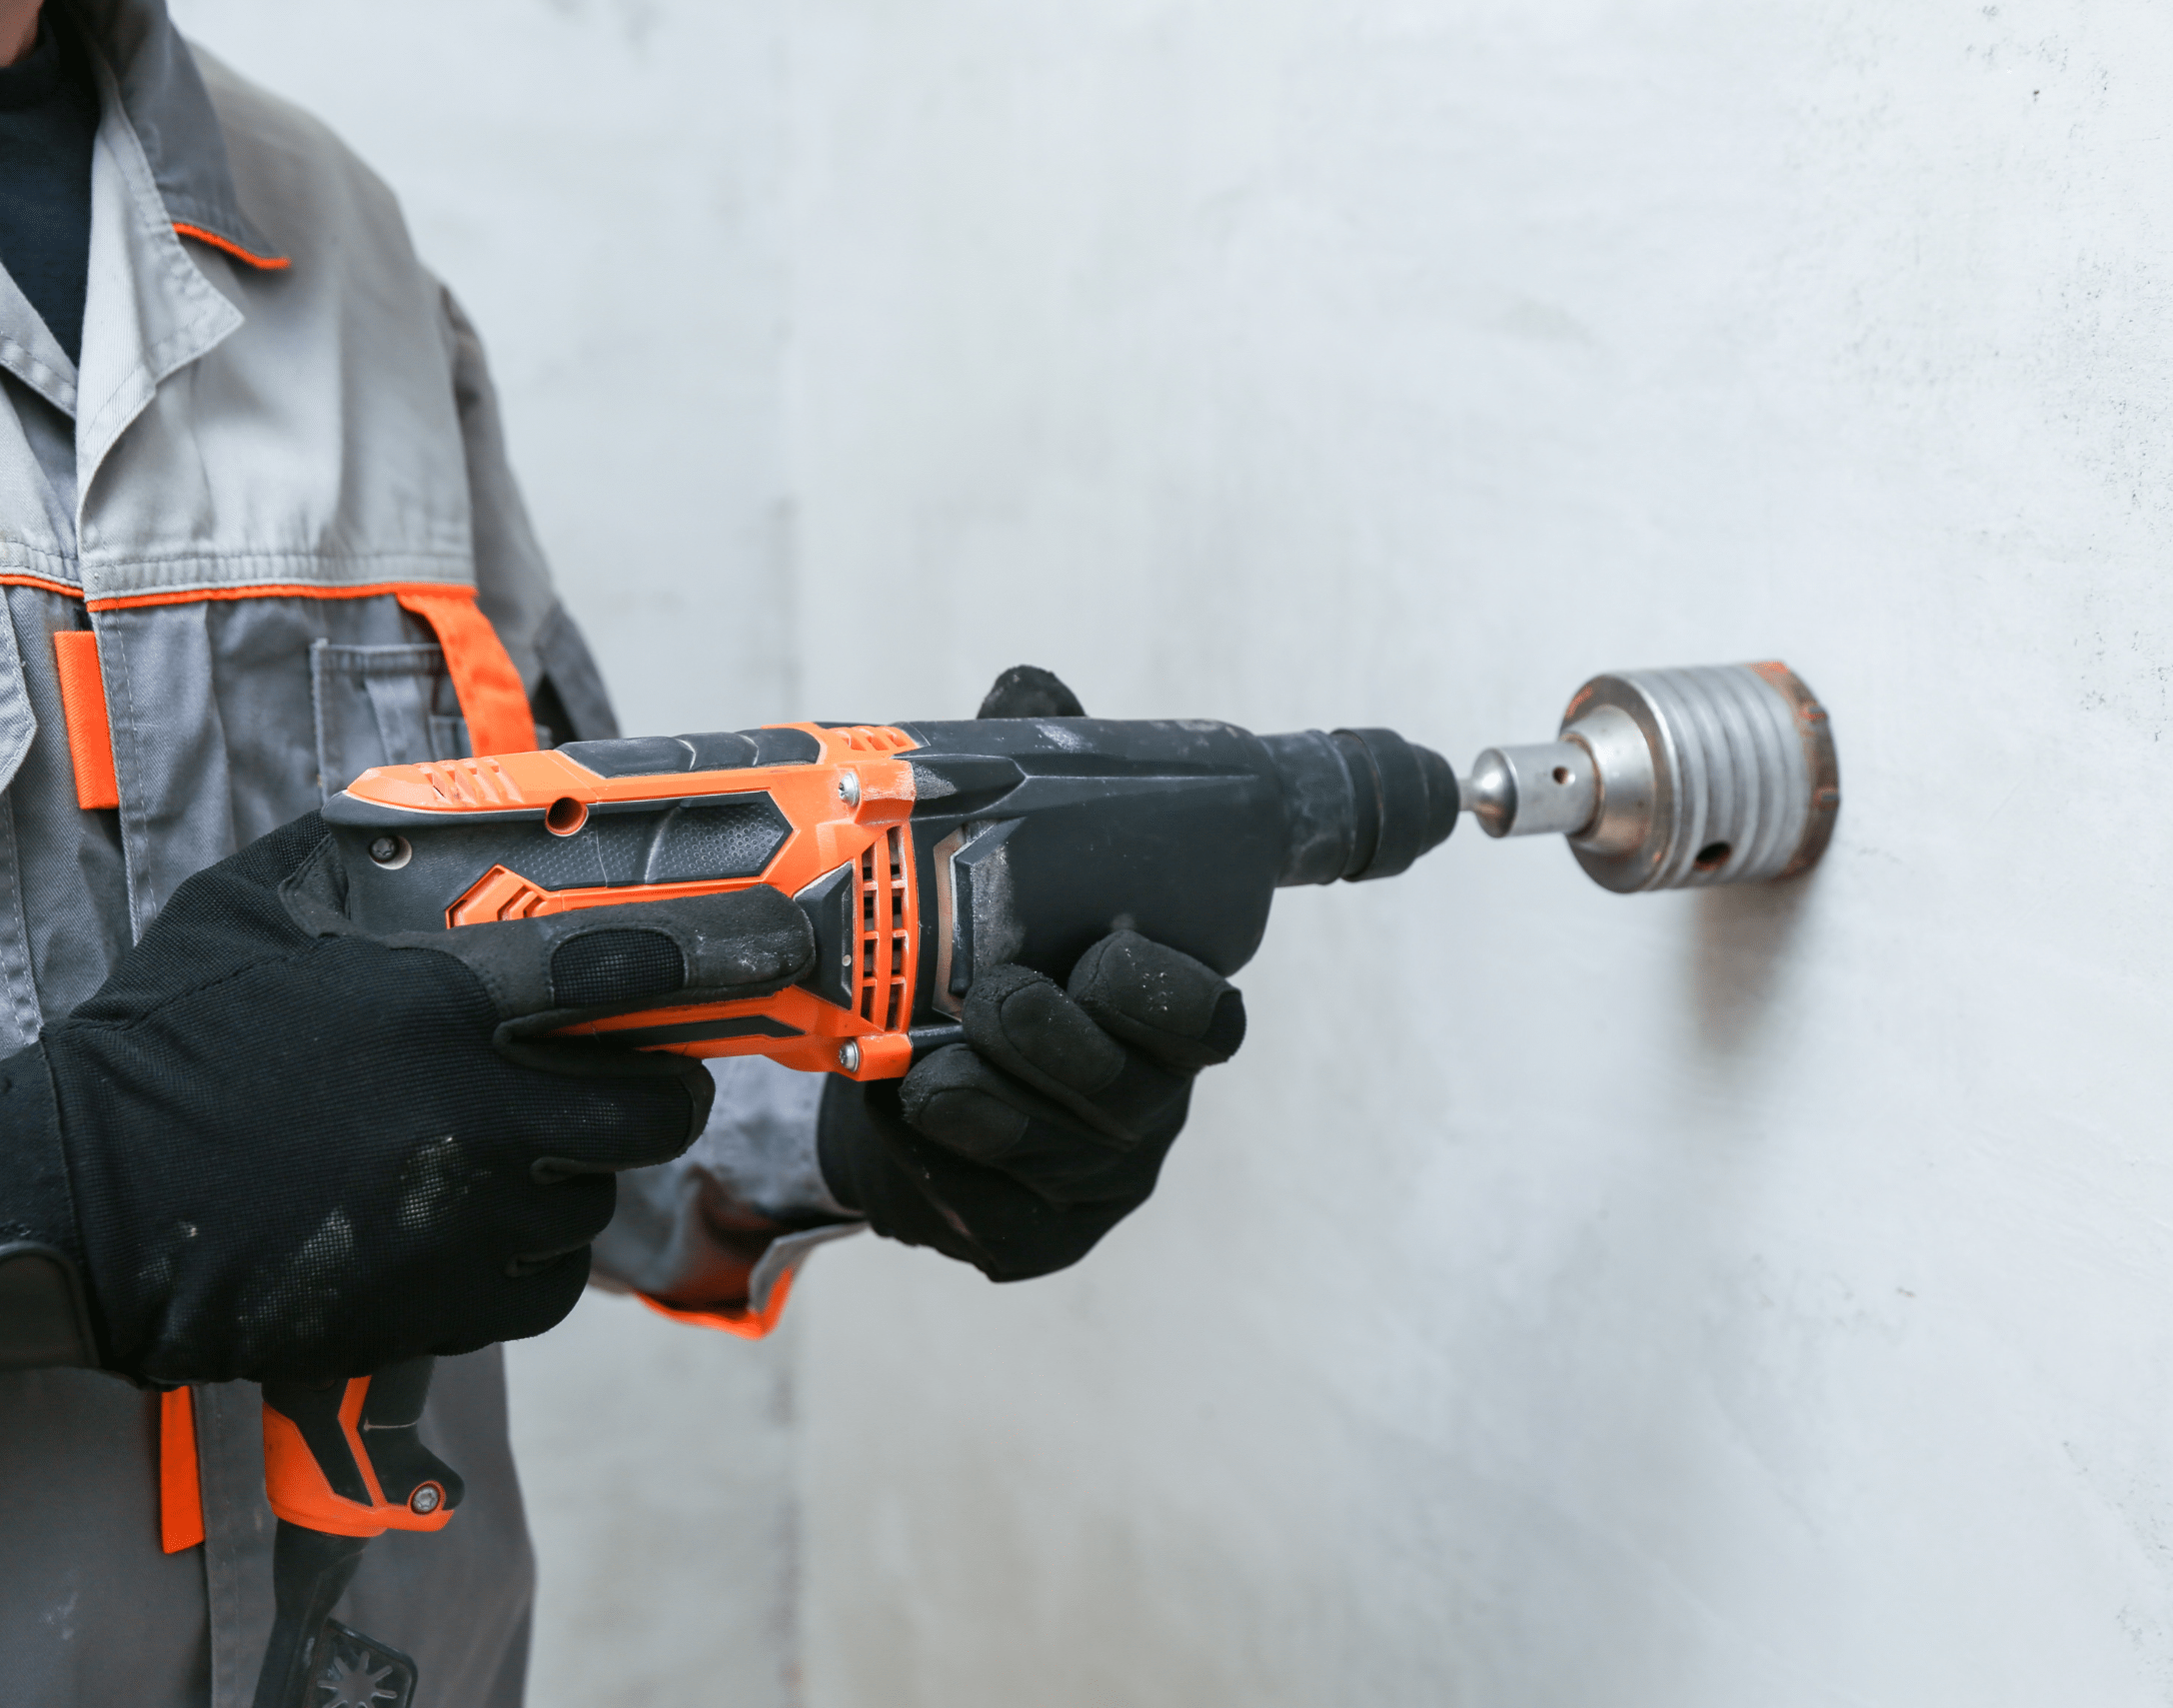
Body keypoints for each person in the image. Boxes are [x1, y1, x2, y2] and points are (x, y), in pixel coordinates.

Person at [0, 4, 1243, 1702]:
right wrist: (66, 1184)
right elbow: (188, 1147)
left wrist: (868, 1103)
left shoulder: (332, 233)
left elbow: (530, 965)